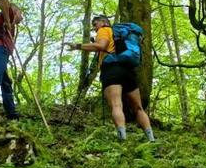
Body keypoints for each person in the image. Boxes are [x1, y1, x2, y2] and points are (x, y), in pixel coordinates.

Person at [64, 14, 155, 143]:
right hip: (128, 71)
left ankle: (122, 139)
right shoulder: (118, 34)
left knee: (116, 105)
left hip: (112, 69)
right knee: (138, 108)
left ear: (103, 22)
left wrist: (77, 46)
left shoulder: (104, 30)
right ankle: (151, 139)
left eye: (95, 24)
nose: (95, 28)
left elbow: (101, 46)